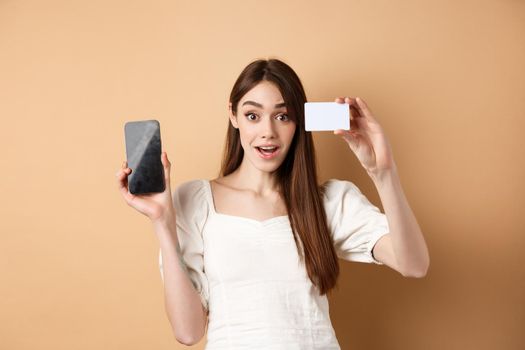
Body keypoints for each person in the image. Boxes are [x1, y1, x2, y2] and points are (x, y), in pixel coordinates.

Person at [116, 58, 430, 349]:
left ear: (299, 122)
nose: (268, 132)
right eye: (253, 115)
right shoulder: (195, 202)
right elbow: (188, 331)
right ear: (233, 116)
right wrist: (162, 223)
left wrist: (383, 173)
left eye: (282, 116)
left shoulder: (328, 202)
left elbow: (413, 264)